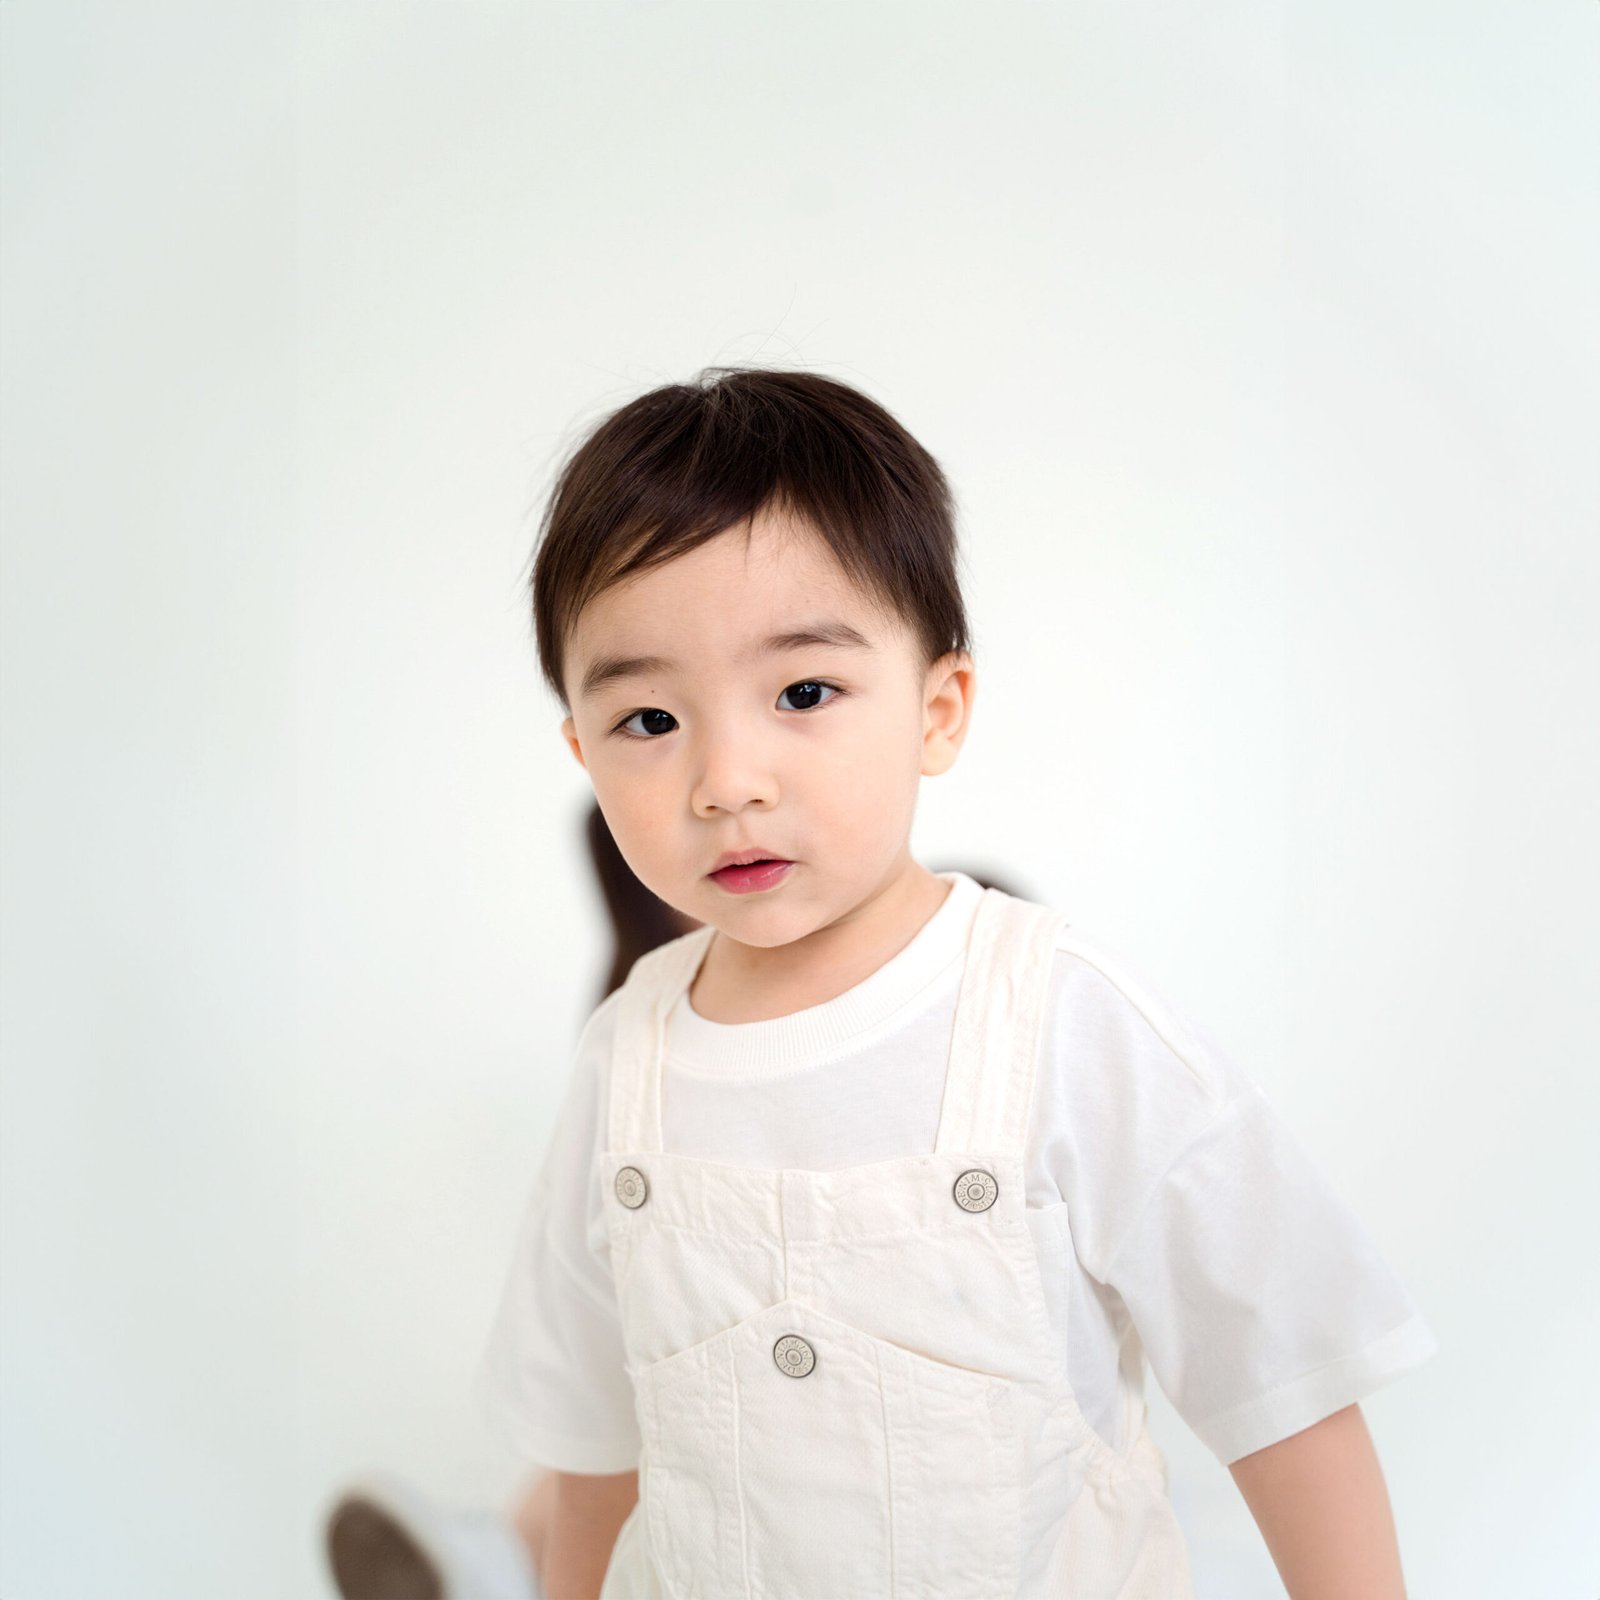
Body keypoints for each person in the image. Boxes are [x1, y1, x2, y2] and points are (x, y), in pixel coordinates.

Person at [400, 366, 1442, 1598]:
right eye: (649, 721)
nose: (727, 780)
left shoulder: (1064, 1020)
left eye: (803, 693)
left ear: (938, 710)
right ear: (582, 748)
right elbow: (594, 1453)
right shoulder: (626, 1059)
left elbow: (1283, 1389)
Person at [322, 802, 1021, 1600]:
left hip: (929, 1345)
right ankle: (499, 1556)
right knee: (640, 1384)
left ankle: (497, 1558)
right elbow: (597, 1413)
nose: (730, 817)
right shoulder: (633, 1034)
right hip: (709, 1352)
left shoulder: (985, 964)